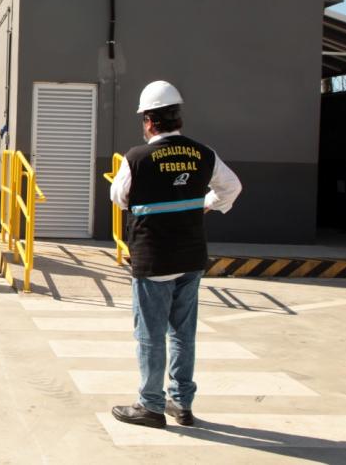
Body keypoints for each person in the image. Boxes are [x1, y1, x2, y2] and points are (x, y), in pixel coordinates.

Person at [110, 81, 242, 429]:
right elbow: (233, 187)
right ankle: (181, 404)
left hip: (154, 258)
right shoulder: (203, 153)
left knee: (149, 335)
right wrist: (204, 205)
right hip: (191, 257)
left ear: (149, 121)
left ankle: (151, 405)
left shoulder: (136, 157)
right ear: (177, 117)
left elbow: (119, 197)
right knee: (183, 333)